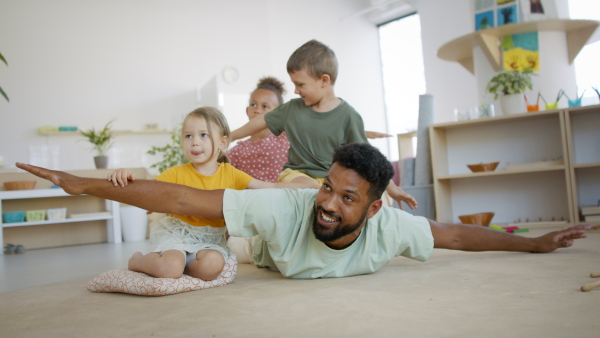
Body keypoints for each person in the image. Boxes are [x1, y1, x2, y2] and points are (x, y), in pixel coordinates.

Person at [16, 143, 590, 279]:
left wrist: (534, 244)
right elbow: (186, 198)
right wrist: (80, 184)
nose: (330, 206)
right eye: (329, 189)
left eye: (347, 199)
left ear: (373, 206)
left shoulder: (391, 230)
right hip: (260, 248)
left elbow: (458, 238)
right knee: (209, 251)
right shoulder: (288, 209)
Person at [105, 107, 307, 280]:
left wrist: (302, 187)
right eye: (188, 136)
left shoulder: (231, 174)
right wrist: (126, 174)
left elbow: (268, 187)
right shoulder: (176, 173)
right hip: (178, 234)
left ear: (222, 142)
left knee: (212, 267)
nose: (194, 142)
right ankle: (139, 260)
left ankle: (181, 265)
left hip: (210, 241)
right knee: (170, 268)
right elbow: (148, 191)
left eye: (203, 135)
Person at [230, 40, 417, 210]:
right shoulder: (291, 109)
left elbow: (370, 160)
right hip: (297, 175)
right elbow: (260, 122)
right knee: (311, 189)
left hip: (332, 181)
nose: (296, 90)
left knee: (337, 195)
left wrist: (391, 188)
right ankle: (266, 187)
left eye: (300, 84)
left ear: (324, 81)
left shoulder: (348, 116)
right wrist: (229, 136)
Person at [228, 76, 392, 183]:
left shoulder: (286, 136)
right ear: (247, 110)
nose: (257, 110)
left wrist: (361, 133)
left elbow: (321, 133)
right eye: (253, 104)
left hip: (289, 193)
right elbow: (225, 173)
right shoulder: (238, 150)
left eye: (265, 106)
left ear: (278, 113)